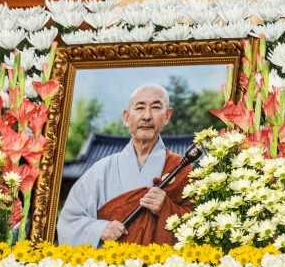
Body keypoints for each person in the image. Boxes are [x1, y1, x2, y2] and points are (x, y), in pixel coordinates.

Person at [56, 83, 192, 246]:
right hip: (109, 261)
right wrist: (99, 229)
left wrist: (167, 208)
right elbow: (68, 222)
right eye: (140, 107)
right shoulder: (101, 171)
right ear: (126, 117)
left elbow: (200, 225)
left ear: (167, 116)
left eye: (156, 107)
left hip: (159, 261)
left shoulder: (180, 168)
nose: (147, 116)